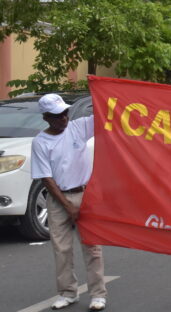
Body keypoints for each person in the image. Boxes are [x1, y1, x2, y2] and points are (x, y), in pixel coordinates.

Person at [30, 94, 107, 311]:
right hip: (58, 199)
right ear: (46, 117)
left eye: (65, 113)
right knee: (61, 249)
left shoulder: (78, 127)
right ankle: (67, 292)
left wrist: (104, 93)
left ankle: (98, 294)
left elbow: (105, 116)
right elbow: (47, 178)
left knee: (92, 247)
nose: (63, 118)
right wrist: (67, 206)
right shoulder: (40, 142)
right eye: (57, 115)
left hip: (85, 195)